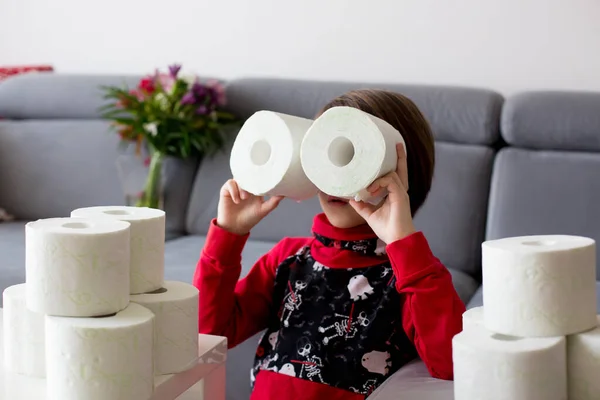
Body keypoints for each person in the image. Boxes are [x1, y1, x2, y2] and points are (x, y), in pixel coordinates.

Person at [193, 89, 466, 400]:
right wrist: (227, 235)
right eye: (322, 153)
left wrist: (404, 244)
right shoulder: (288, 258)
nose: (332, 174)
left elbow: (454, 364)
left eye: (349, 157)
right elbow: (208, 332)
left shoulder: (411, 275)